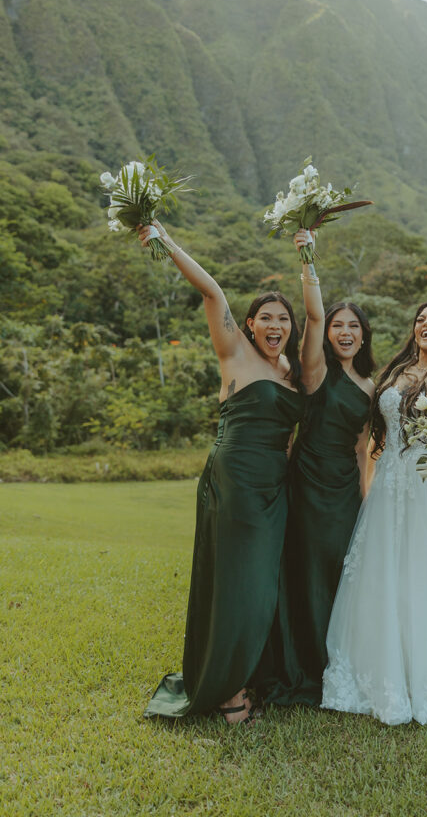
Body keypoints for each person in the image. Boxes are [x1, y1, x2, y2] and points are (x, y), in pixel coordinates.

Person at [139, 219, 304, 725]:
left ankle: (247, 674)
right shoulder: (235, 353)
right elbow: (211, 291)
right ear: (248, 324)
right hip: (236, 481)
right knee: (239, 584)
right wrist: (166, 240)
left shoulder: (290, 373)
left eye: (283, 319)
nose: (275, 325)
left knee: (263, 586)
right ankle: (230, 694)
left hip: (274, 488)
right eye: (266, 317)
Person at [322, 302, 427, 725]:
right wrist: (368, 487)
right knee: (386, 574)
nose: (425, 324)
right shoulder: (395, 372)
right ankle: (385, 666)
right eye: (420, 318)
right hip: (389, 485)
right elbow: (375, 440)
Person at [265, 230, 375, 706]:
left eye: (354, 326)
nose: (345, 332)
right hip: (307, 486)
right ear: (328, 334)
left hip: (344, 492)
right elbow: (311, 314)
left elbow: (362, 447)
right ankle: (307, 665)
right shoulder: (315, 370)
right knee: (306, 573)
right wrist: (307, 257)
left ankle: (339, 662)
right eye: (337, 325)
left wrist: (364, 498)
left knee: (339, 575)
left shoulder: (370, 386)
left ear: (364, 334)